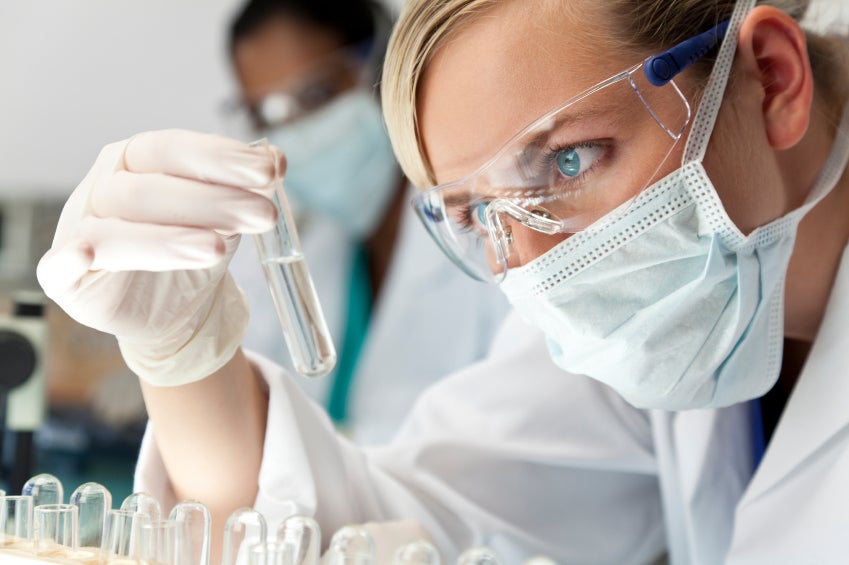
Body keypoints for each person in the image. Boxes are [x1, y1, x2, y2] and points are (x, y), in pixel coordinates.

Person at [36, 0, 849, 562]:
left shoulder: (677, 269)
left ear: (771, 79)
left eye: (568, 159)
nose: (532, 263)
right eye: (472, 213)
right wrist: (184, 358)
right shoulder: (659, 307)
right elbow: (397, 535)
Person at [223, 0, 510, 443]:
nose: (299, 133)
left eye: (316, 95)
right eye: (267, 115)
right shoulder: (305, 246)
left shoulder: (489, 227)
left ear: (381, 69)